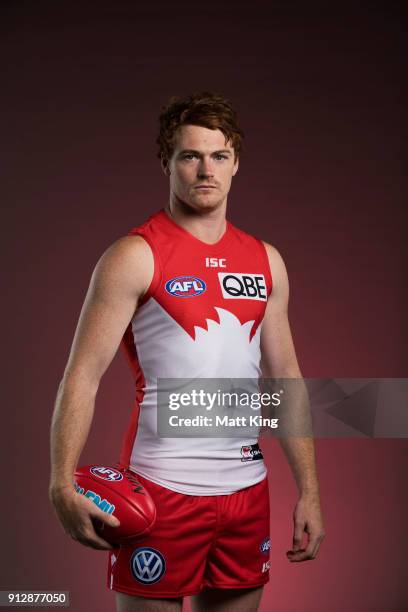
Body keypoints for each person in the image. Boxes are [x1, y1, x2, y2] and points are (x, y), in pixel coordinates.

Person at [49, 91, 325, 612]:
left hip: (248, 493)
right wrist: (60, 483)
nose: (206, 169)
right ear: (167, 162)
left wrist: (309, 490)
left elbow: (287, 380)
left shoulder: (266, 261)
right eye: (189, 156)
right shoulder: (134, 255)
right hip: (160, 491)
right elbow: (81, 377)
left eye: (219, 156)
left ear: (236, 163)